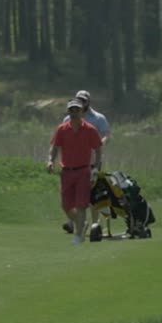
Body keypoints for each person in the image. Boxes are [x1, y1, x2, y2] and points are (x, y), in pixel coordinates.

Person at [46, 98, 104, 244]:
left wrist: (96, 168)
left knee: (81, 205)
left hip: (83, 171)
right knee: (66, 205)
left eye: (76, 110)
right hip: (66, 171)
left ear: (82, 112)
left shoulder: (90, 129)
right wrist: (50, 160)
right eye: (71, 110)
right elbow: (54, 147)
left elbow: (98, 150)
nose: (73, 112)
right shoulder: (62, 129)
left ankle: (78, 236)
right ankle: (81, 224)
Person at [60, 90, 111, 235]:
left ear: (88, 102)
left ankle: (95, 224)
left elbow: (107, 134)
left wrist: (99, 144)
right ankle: (75, 221)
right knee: (72, 194)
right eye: (79, 100)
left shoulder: (98, 118)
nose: (81, 103)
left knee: (93, 194)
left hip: (93, 160)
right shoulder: (67, 119)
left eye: (84, 100)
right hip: (73, 162)